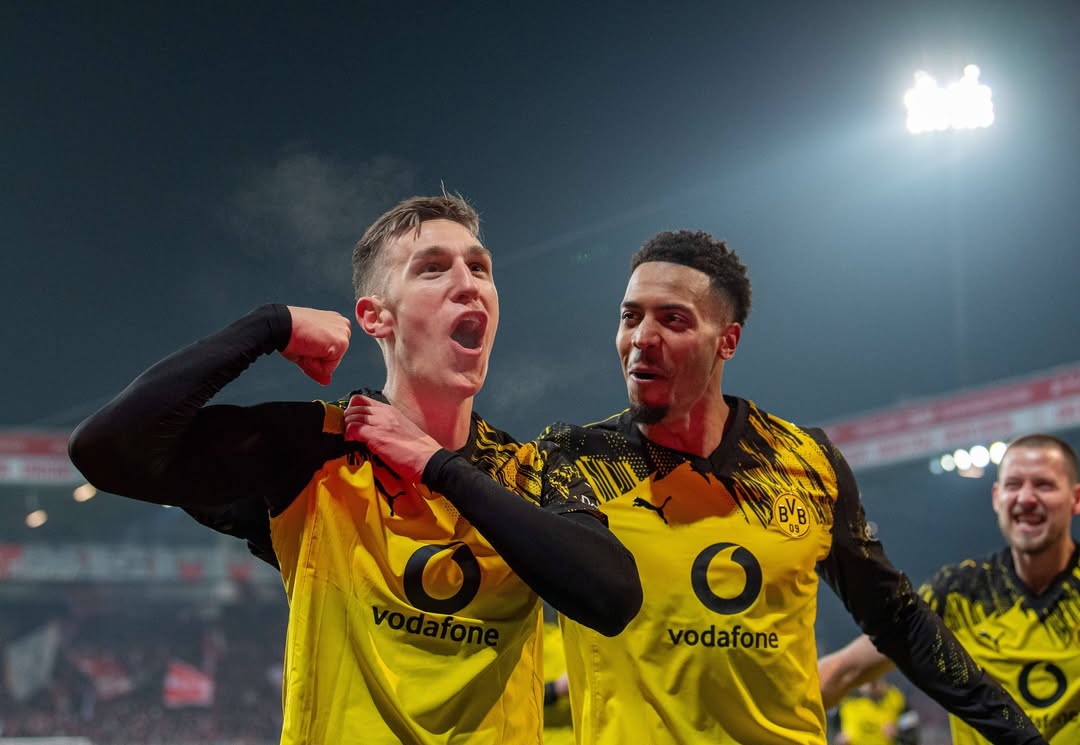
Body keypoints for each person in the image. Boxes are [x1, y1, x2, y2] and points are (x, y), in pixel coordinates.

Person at [67, 194, 642, 745]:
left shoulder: (533, 469)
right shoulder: (314, 449)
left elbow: (612, 598)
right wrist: (267, 326)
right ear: (375, 317)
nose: (469, 284)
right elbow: (104, 449)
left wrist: (436, 466)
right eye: (433, 269)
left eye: (480, 268)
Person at [536, 230, 1045, 744]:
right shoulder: (572, 462)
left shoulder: (807, 462)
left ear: (728, 341)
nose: (642, 337)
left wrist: (1020, 737)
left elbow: (898, 620)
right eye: (630, 316)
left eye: (673, 319)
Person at [818, 433, 1080, 744]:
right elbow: (843, 671)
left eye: (1044, 485)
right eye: (1013, 485)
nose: (1025, 498)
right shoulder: (957, 594)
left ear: (1075, 498)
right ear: (996, 497)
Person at [833, 677, 919, 745]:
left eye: (875, 681)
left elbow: (912, 736)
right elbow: (831, 728)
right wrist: (839, 739)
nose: (872, 687)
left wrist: (898, 733)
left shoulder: (896, 698)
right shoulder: (845, 700)